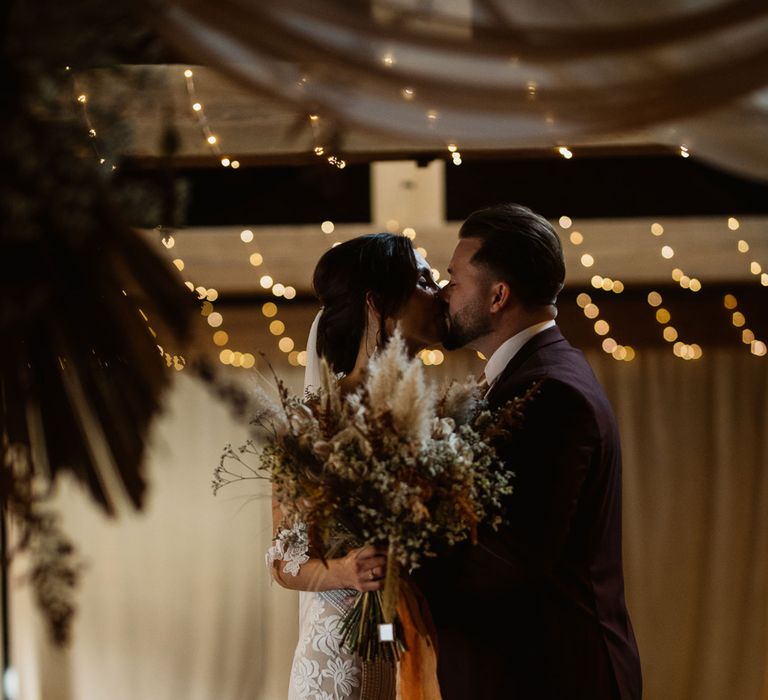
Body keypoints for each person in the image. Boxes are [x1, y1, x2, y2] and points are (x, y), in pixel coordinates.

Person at [415, 203, 642, 699]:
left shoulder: (549, 390)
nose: (443, 294)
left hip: (550, 674)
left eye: (454, 279)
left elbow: (511, 554)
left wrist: (400, 568)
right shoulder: (529, 378)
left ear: (498, 295)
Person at [268, 233, 445, 700]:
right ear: (378, 304)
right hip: (340, 652)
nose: (440, 292)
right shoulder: (316, 421)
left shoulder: (435, 420)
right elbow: (284, 562)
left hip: (403, 637)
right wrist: (344, 570)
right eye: (425, 281)